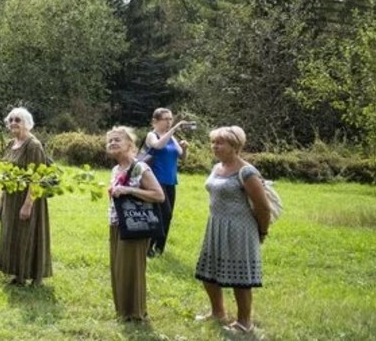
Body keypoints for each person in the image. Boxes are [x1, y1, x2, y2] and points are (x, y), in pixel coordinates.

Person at [194, 126, 272, 334]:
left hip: (240, 228)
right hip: (216, 225)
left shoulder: (246, 172)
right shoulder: (217, 167)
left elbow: (263, 207)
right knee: (207, 271)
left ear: (235, 146)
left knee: (240, 277)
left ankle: (244, 322)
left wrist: (262, 232)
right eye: (213, 142)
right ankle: (218, 312)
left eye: (220, 143)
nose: (215, 146)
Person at [106, 126, 166, 322]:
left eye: (117, 140)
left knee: (132, 269)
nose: (113, 143)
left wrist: (129, 191)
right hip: (117, 223)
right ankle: (123, 311)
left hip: (137, 226)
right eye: (110, 141)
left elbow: (159, 195)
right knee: (119, 268)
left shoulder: (140, 167)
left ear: (130, 145)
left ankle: (136, 313)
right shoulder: (116, 169)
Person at [0, 107, 53, 286]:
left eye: (17, 120)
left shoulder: (33, 145)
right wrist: (2, 199)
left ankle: (33, 276)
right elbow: (6, 174)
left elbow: (36, 177)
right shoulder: (11, 144)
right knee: (12, 234)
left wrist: (28, 204)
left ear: (27, 123)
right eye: (11, 119)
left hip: (28, 196)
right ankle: (17, 274)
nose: (13, 123)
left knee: (27, 235)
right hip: (11, 195)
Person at [143, 108, 191, 256]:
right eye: (166, 119)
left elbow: (182, 157)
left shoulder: (172, 138)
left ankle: (159, 248)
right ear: (155, 121)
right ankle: (148, 246)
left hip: (171, 181)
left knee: (168, 216)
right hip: (156, 181)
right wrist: (175, 129)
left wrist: (185, 148)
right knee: (162, 213)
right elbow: (157, 145)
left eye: (171, 119)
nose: (169, 122)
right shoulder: (152, 135)